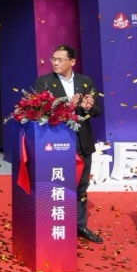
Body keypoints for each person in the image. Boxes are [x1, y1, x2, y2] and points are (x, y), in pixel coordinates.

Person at [33, 44, 104, 244]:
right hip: (56, 143)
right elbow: (39, 113)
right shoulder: (44, 82)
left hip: (82, 141)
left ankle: (80, 225)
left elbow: (98, 111)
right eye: (53, 59)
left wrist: (88, 107)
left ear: (72, 62)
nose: (55, 63)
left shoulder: (86, 81)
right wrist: (66, 106)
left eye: (60, 59)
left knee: (81, 186)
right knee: (56, 185)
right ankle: (54, 223)